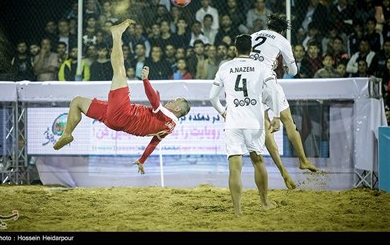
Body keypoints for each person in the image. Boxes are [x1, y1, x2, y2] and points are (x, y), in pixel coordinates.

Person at [53, 19, 191, 174]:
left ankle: (117, 34)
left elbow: (154, 100)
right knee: (77, 102)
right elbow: (154, 143)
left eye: (175, 100)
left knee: (119, 71)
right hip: (116, 123)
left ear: (178, 108)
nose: (172, 100)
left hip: (124, 114)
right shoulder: (170, 128)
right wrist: (142, 160)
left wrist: (145, 80)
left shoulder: (167, 115)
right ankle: (67, 134)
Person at [209, 34, 279, 216]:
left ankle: (238, 210)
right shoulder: (261, 66)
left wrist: (223, 112)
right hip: (254, 121)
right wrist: (276, 116)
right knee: (258, 161)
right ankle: (264, 203)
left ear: (234, 49)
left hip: (233, 121)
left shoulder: (225, 67)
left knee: (234, 166)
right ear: (251, 49)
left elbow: (212, 97)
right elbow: (273, 90)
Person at [250, 13, 318, 190]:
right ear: (281, 30)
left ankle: (283, 173)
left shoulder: (254, 35)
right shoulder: (282, 40)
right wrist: (284, 65)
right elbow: (294, 71)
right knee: (288, 120)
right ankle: (303, 161)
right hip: (267, 82)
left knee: (265, 128)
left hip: (250, 83)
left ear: (268, 25)